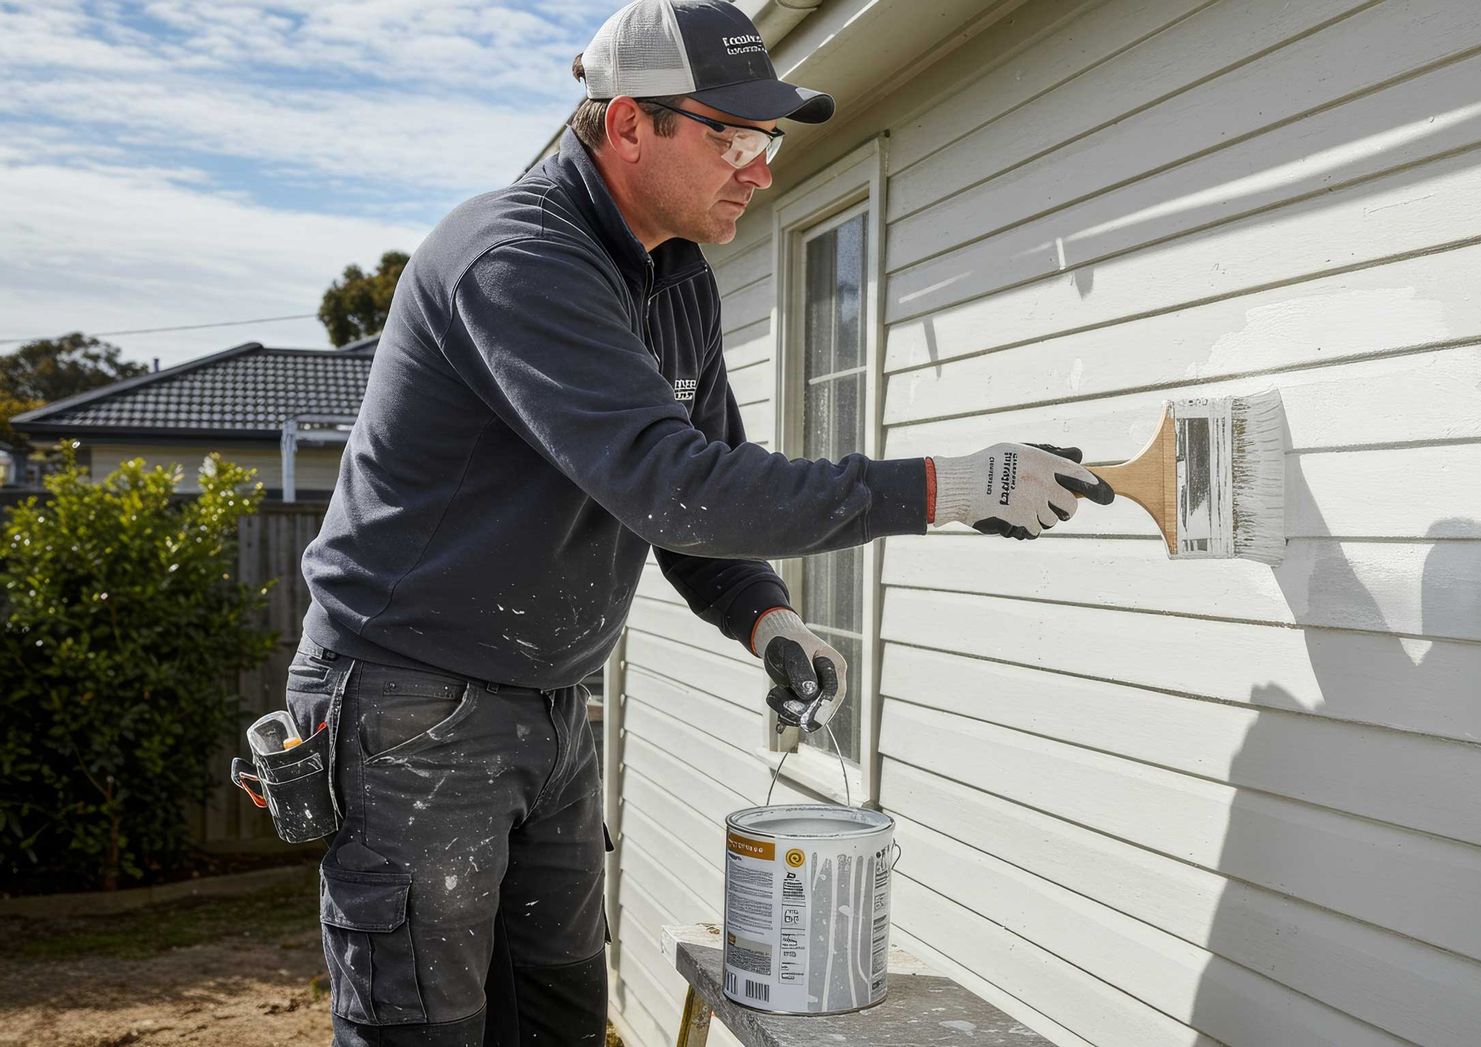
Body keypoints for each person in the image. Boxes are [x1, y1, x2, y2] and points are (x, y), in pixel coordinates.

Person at [288, 1, 1112, 1043]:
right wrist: (948, 487)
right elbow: (673, 484)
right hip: (410, 701)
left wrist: (767, 617)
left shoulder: (674, 279)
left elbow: (700, 502)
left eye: (766, 140)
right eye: (734, 137)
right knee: (424, 1025)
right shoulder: (514, 257)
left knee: (555, 1017)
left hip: (547, 701)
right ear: (629, 124)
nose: (760, 170)